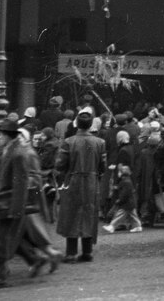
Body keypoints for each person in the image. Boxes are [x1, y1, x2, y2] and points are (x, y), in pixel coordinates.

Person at [0, 120, 38, 289]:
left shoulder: (17, 154)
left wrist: (16, 209)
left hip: (9, 203)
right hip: (5, 201)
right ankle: (1, 273)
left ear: (8, 136)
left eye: (1, 135)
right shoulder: (11, 151)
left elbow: (21, 182)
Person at [55, 110, 106, 262]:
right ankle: (87, 251)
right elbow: (103, 166)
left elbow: (60, 164)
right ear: (91, 125)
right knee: (89, 214)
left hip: (73, 180)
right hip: (91, 181)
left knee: (72, 214)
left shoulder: (69, 142)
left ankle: (70, 253)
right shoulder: (100, 142)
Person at [102, 165, 141, 234]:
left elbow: (125, 193)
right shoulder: (127, 181)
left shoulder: (125, 182)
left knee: (119, 215)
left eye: (119, 172)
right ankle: (137, 226)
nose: (118, 173)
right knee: (133, 215)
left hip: (127, 203)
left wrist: (120, 200)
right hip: (130, 202)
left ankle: (112, 226)